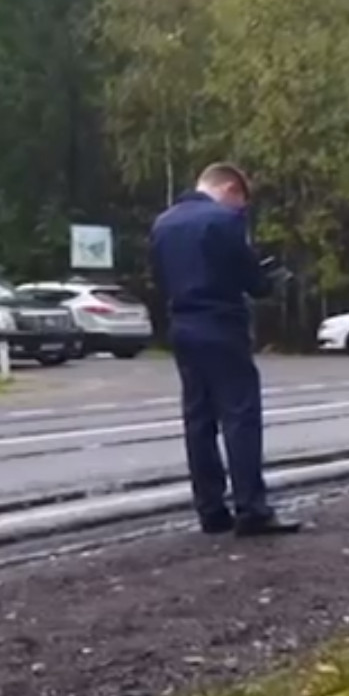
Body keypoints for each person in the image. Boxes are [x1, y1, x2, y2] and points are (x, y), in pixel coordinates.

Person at [149, 162, 301, 537]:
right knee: (240, 416)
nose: (241, 212)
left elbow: (159, 279)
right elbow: (252, 281)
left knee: (198, 420)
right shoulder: (223, 220)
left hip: (182, 326)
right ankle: (252, 509)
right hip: (221, 325)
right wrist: (270, 279)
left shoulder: (162, 224)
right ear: (231, 189)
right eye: (241, 204)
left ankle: (211, 511)